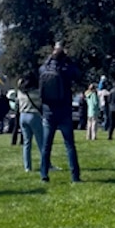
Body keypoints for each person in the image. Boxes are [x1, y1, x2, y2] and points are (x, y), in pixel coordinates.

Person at [39, 41, 81, 183]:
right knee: (69, 145)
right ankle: (75, 176)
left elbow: (40, 69)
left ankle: (44, 175)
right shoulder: (66, 69)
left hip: (48, 111)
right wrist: (68, 59)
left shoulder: (44, 68)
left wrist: (50, 57)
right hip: (64, 111)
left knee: (46, 146)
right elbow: (77, 74)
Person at [17, 72, 43, 172]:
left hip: (22, 116)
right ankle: (46, 164)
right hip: (34, 115)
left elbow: (19, 84)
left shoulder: (20, 92)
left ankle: (27, 167)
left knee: (26, 143)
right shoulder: (36, 92)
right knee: (41, 142)